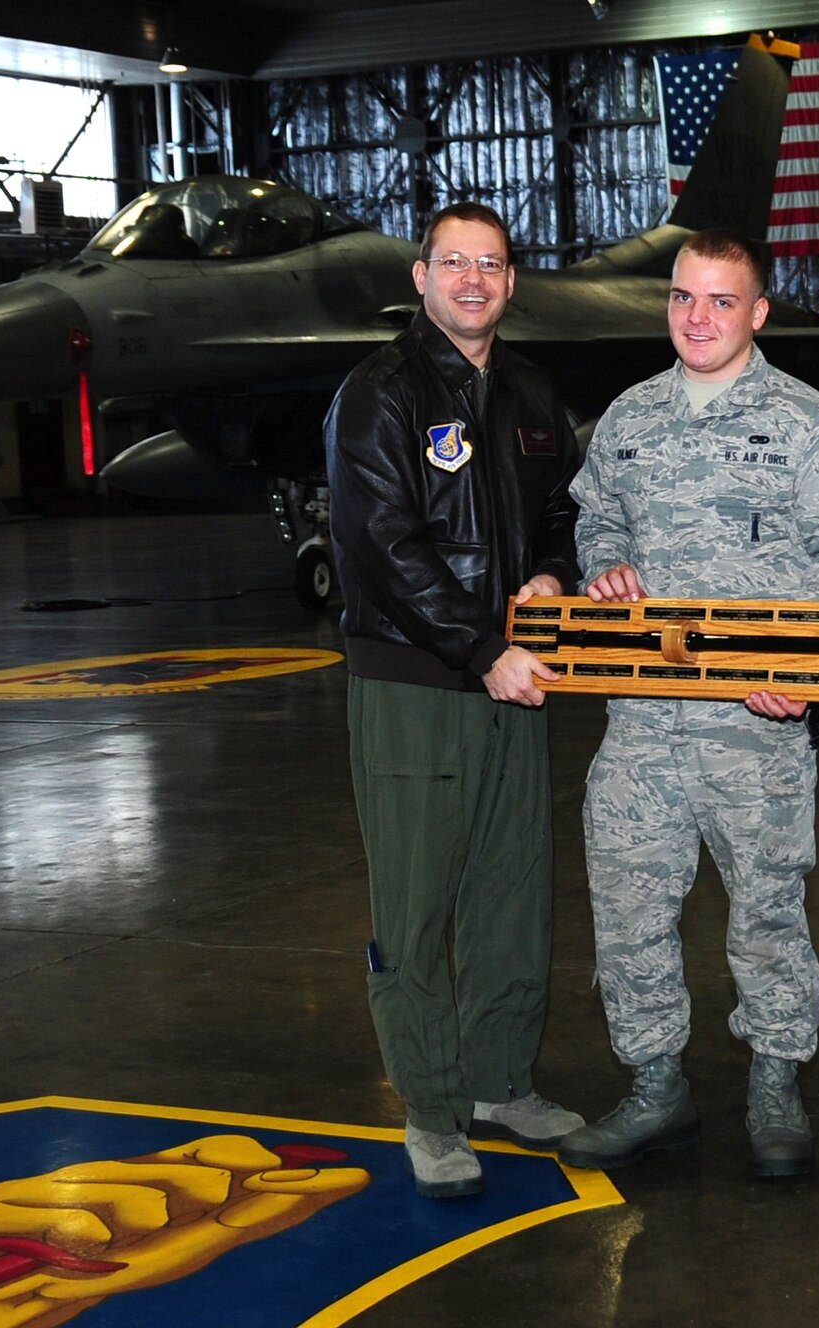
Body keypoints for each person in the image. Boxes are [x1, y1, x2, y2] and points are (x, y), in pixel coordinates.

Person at [557, 228, 819, 1178]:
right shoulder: (630, 416)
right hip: (642, 723)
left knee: (769, 910)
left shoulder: (810, 425)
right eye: (684, 299)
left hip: (755, 728)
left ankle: (775, 1081)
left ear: (758, 312)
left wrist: (800, 668)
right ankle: (656, 1087)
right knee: (627, 908)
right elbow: (596, 511)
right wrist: (603, 561)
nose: (698, 318)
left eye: (721, 301)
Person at [325, 201, 583, 1199]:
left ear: (511, 282)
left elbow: (558, 510)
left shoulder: (524, 390)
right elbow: (381, 546)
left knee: (512, 894)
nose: (473, 279)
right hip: (418, 685)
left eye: (492, 264)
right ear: (420, 275)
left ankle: (499, 1081)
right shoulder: (378, 394)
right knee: (418, 907)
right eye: (454, 263)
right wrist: (482, 648)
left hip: (511, 679)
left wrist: (555, 576)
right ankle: (431, 1111)